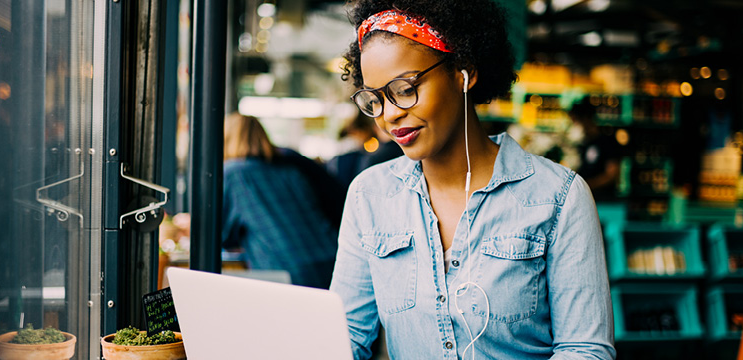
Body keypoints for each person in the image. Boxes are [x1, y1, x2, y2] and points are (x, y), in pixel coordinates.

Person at [329, 1, 616, 359]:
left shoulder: (558, 197)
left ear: (463, 72)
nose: (390, 114)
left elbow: (585, 348)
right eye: (375, 99)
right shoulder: (369, 196)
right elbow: (345, 338)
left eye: (405, 89)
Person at [222, 113, 339, 289]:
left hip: (286, 272)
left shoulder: (233, 173)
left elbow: (224, 236)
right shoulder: (290, 170)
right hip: (330, 262)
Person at [570, 100, 622, 201]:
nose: (574, 125)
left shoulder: (607, 142)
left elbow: (612, 174)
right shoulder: (583, 144)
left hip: (604, 201)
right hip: (584, 198)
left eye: (575, 121)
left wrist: (587, 185)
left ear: (585, 119)